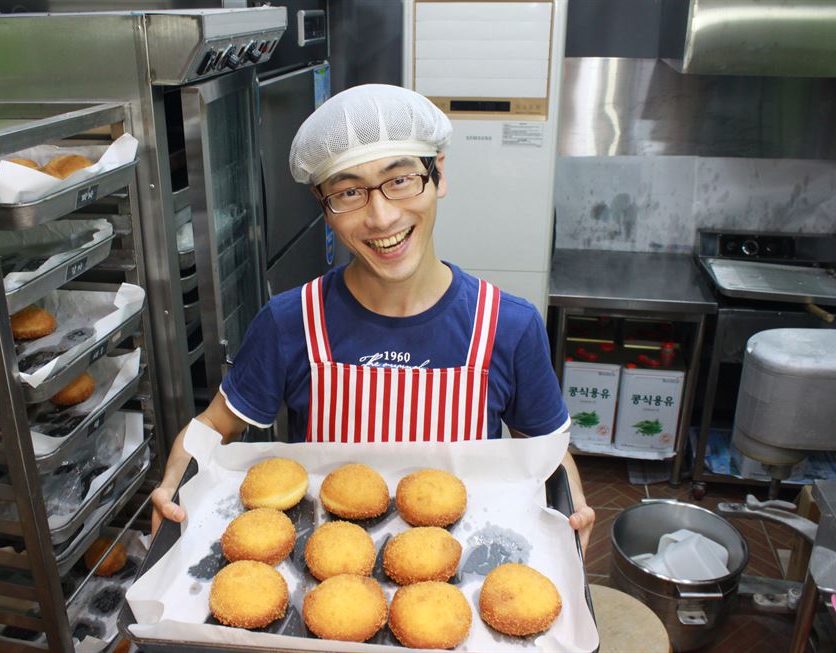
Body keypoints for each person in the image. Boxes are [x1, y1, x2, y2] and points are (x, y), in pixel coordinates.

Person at [151, 84, 595, 551]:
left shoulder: (507, 326)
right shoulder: (291, 321)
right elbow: (213, 426)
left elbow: (548, 457)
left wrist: (573, 509)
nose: (381, 217)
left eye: (400, 179)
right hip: (324, 566)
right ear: (324, 207)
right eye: (348, 192)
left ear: (438, 175)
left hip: (463, 569)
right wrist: (172, 485)